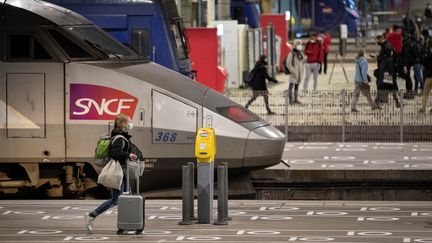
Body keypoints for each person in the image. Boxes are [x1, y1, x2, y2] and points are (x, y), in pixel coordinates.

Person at [85, 113, 140, 233]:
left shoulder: (120, 136)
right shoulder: (119, 138)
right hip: (119, 172)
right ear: (123, 124)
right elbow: (115, 154)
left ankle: (124, 226)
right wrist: (129, 155)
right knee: (118, 200)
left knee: (123, 198)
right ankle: (92, 216)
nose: (131, 123)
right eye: (129, 121)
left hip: (122, 172)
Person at [375, 35, 400, 108]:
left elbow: (387, 56)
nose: (377, 42)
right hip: (385, 70)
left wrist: (379, 57)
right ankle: (379, 102)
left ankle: (395, 102)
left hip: (387, 72)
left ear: (381, 39)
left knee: (385, 86)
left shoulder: (387, 46)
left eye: (378, 40)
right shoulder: (384, 45)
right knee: (385, 86)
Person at [401, 33, 423, 99]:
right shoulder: (414, 44)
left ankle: (423, 90)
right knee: (416, 77)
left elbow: (406, 55)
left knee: (418, 77)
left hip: (415, 63)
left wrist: (405, 65)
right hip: (416, 62)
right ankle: (416, 90)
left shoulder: (407, 45)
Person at [286, 39, 305, 104]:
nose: (300, 46)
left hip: (299, 73)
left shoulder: (301, 54)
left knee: (297, 87)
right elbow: (288, 63)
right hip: (294, 73)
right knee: (291, 86)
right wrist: (292, 71)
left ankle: (296, 99)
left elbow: (302, 62)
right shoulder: (291, 54)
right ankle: (290, 100)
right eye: (298, 44)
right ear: (295, 45)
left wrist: (302, 70)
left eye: (300, 44)